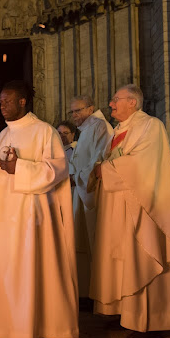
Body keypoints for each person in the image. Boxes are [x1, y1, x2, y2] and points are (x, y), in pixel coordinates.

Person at [90, 84, 170, 338]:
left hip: (146, 208)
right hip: (121, 207)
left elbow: (144, 164)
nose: (111, 104)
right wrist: (100, 168)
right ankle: (128, 314)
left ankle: (154, 320)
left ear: (132, 102)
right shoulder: (119, 131)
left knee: (147, 257)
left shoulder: (151, 125)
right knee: (126, 260)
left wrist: (107, 169)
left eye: (115, 100)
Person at [0, 80, 78, 338]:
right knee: (6, 271)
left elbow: (57, 170)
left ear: (23, 101)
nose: (1, 105)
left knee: (28, 271)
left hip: (30, 216)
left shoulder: (44, 132)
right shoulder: (3, 136)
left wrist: (21, 168)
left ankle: (30, 332)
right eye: (1, 101)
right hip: (4, 216)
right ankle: (8, 326)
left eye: (7, 100)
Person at [67, 94, 113, 298]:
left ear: (91, 108)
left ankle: (101, 294)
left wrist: (76, 177)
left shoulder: (99, 126)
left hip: (92, 193)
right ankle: (86, 292)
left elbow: (99, 161)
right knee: (82, 242)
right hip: (81, 191)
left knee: (95, 243)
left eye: (78, 110)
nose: (74, 115)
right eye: (72, 111)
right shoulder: (87, 129)